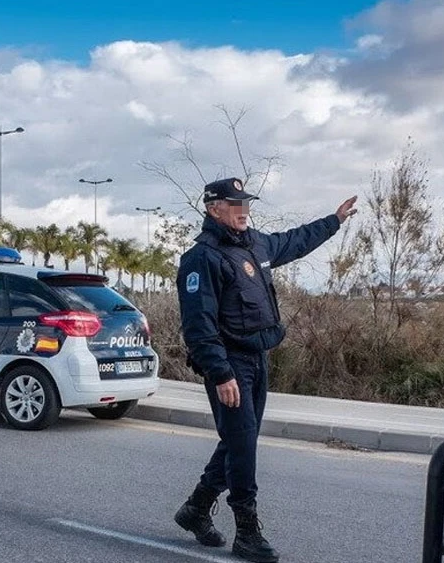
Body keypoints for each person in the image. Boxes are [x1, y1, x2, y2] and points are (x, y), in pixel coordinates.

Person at [174, 177, 357, 563]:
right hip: (230, 362)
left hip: (258, 357)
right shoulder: (201, 258)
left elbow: (295, 241)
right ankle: (246, 531)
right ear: (214, 208)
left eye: (246, 202)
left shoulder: (255, 244)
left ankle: (195, 508)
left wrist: (334, 221)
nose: (244, 209)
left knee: (240, 441)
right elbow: (199, 324)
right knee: (242, 444)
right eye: (235, 203)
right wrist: (220, 372)